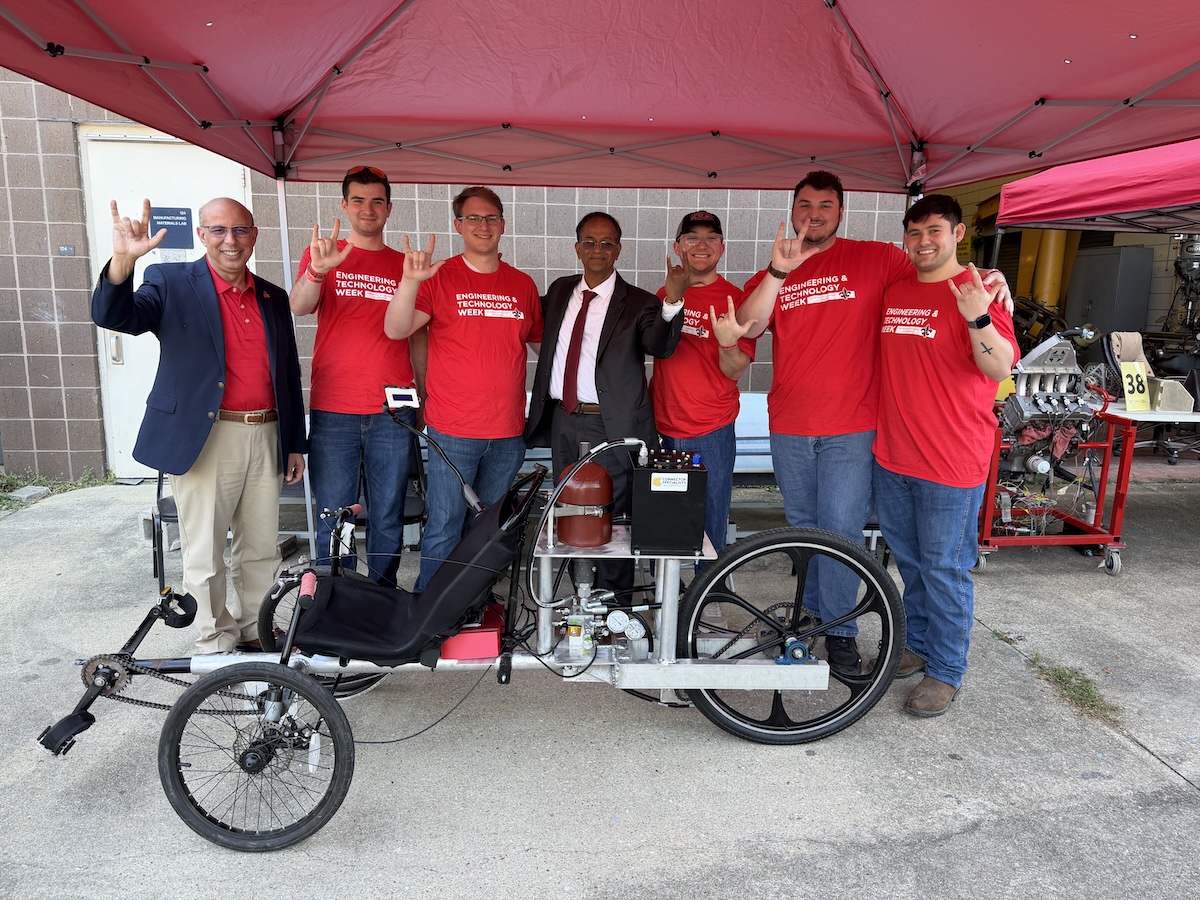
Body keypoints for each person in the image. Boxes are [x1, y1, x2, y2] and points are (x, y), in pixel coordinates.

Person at [737, 170, 1009, 676]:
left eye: (824, 205)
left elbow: (937, 267)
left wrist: (990, 280)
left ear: (840, 213)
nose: (812, 214)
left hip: (854, 426)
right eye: (804, 205)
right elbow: (750, 325)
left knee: (839, 533)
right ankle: (813, 619)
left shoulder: (878, 258)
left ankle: (839, 633)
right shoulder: (777, 268)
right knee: (804, 532)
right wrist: (776, 272)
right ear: (792, 210)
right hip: (791, 424)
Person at [92, 198, 306, 654]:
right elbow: (116, 316)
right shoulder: (170, 282)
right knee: (205, 548)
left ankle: (256, 629)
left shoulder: (272, 295)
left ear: (254, 234)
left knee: (262, 546)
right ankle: (215, 637)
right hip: (207, 436)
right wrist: (123, 262)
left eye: (240, 230)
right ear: (202, 235)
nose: (231, 240)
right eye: (218, 230)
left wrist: (294, 443)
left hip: (266, 432)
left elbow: (287, 373)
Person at [873, 194, 1018, 716]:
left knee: (944, 568)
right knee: (911, 564)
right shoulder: (896, 291)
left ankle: (947, 670)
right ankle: (919, 645)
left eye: (934, 231)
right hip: (893, 457)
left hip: (951, 462)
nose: (923, 242)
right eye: (914, 233)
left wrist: (978, 315)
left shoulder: (978, 293)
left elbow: (1000, 369)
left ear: (957, 234)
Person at [384, 186, 543, 591]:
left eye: (490, 217)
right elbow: (396, 329)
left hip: (508, 432)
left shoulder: (522, 284)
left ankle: (471, 607)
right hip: (452, 430)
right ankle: (429, 617)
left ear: (503, 225)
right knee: (444, 525)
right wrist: (408, 281)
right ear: (458, 225)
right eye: (473, 218)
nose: (483, 225)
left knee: (487, 528)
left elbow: (545, 345)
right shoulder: (440, 278)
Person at [525, 211, 685, 595]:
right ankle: (581, 596)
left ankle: (615, 606)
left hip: (612, 424)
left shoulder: (640, 302)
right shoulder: (561, 290)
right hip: (565, 418)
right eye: (590, 242)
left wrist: (674, 299)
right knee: (572, 507)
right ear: (577, 248)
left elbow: (659, 346)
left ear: (619, 249)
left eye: (607, 243)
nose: (598, 250)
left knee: (615, 517)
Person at [290, 165, 418, 587]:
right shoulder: (325, 254)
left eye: (377, 201)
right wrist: (317, 271)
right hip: (334, 409)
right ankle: (334, 597)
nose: (368, 209)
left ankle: (380, 598)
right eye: (359, 201)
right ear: (344, 206)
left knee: (387, 514)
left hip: (391, 411)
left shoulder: (405, 266)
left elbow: (418, 337)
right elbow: (299, 306)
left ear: (389, 208)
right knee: (334, 514)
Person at [649, 211, 756, 563]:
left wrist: (727, 342)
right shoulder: (664, 294)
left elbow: (737, 368)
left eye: (711, 237)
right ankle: (667, 595)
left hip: (710, 430)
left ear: (722, 248)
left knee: (710, 522)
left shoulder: (734, 300)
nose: (702, 245)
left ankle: (708, 596)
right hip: (661, 426)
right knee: (663, 518)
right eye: (692, 237)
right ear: (678, 247)